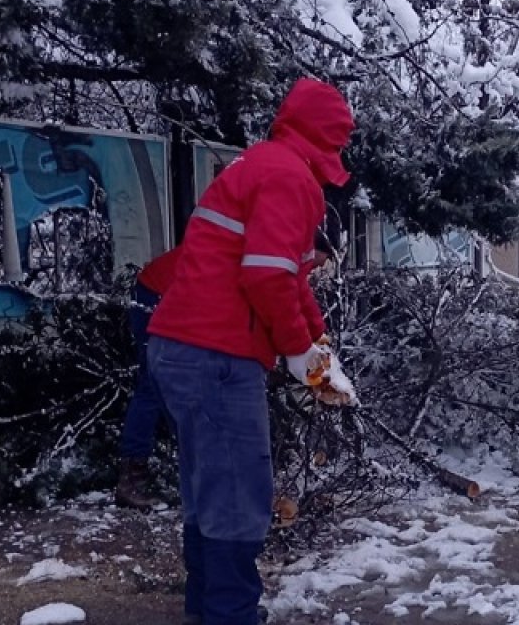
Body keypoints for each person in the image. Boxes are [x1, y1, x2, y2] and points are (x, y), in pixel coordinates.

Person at [145, 78, 354, 625]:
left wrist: (318, 344)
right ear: (327, 142)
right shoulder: (291, 178)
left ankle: (207, 609)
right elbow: (265, 280)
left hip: (182, 347)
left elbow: (290, 277)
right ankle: (230, 615)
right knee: (239, 491)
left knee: (210, 486)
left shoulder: (262, 163)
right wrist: (298, 356)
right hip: (216, 354)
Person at [115, 245, 183, 509]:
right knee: (153, 385)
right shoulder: (243, 251)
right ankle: (131, 480)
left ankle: (193, 474)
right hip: (154, 295)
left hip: (166, 293)